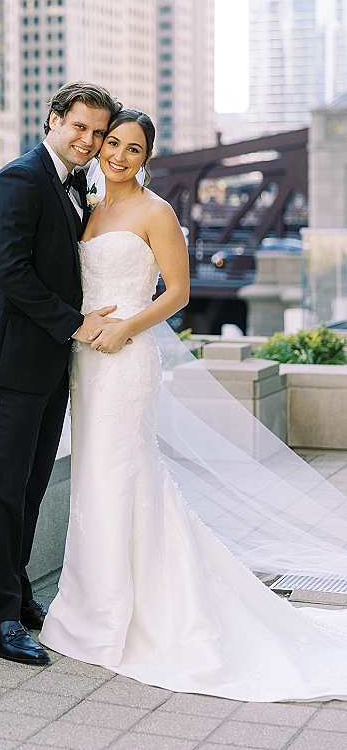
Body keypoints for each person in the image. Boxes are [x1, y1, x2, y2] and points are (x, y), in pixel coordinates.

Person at [39, 109, 347, 702]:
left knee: (120, 476)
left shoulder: (158, 213)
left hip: (126, 361)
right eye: (112, 144)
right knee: (95, 481)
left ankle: (125, 614)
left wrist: (128, 328)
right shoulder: (89, 209)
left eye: (133, 148)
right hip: (87, 361)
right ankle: (93, 603)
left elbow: (178, 294)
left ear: (148, 156)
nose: (119, 156)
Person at [0, 81, 122, 666]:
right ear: (53, 120)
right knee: (1, 491)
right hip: (9, 360)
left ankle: (18, 595)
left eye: (99, 133)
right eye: (80, 127)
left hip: (50, 362)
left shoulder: (78, 185)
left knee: (28, 489)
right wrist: (76, 324)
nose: (89, 140)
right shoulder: (18, 179)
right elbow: (9, 271)